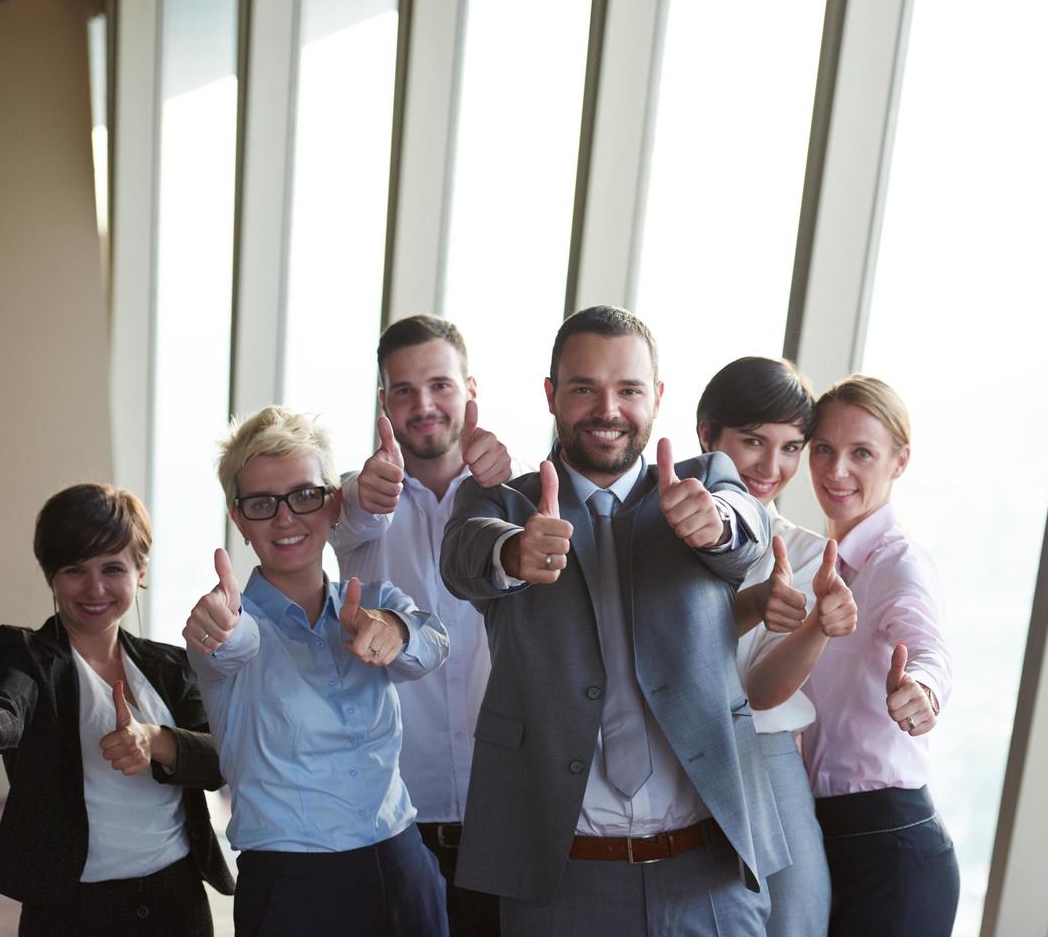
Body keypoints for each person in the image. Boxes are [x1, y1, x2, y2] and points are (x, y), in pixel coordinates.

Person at [440, 305, 786, 935]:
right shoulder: (503, 502)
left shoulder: (703, 483)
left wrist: (718, 525)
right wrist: (515, 550)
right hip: (562, 880)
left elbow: (748, 524)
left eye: (628, 390)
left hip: (708, 873)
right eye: (583, 389)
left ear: (656, 398)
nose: (607, 409)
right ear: (551, 395)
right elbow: (464, 555)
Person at [183, 405, 450, 937]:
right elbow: (228, 646)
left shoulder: (374, 599)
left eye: (304, 496)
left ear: (333, 504)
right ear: (238, 518)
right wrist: (219, 629)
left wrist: (394, 631)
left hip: (404, 866)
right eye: (262, 504)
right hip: (294, 890)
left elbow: (432, 642)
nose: (285, 519)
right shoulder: (233, 622)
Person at [0, 482, 233, 935]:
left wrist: (156, 742)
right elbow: (7, 707)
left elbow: (221, 759)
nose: (94, 588)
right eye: (75, 569)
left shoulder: (170, 665)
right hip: (71, 906)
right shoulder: (25, 653)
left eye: (113, 568)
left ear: (140, 571)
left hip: (177, 900)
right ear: (51, 576)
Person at [331, 314, 512, 937]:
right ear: (383, 403)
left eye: (439, 385)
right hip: (397, 822)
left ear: (470, 390)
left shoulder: (513, 497)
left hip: (506, 812)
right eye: (403, 391)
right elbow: (348, 513)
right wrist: (359, 489)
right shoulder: (361, 504)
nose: (423, 405)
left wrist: (510, 489)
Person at [695, 356, 858, 937]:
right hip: (665, 753)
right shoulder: (654, 536)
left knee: (796, 916)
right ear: (706, 434)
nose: (772, 466)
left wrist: (815, 625)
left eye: (792, 447)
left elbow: (763, 694)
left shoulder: (807, 553)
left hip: (762, 754)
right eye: (754, 441)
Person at [800, 374, 958, 936]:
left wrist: (924, 688)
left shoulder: (898, 563)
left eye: (861, 453)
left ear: (900, 461)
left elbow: (926, 645)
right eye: (824, 449)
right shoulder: (820, 566)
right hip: (832, 839)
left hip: (891, 850)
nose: (836, 470)